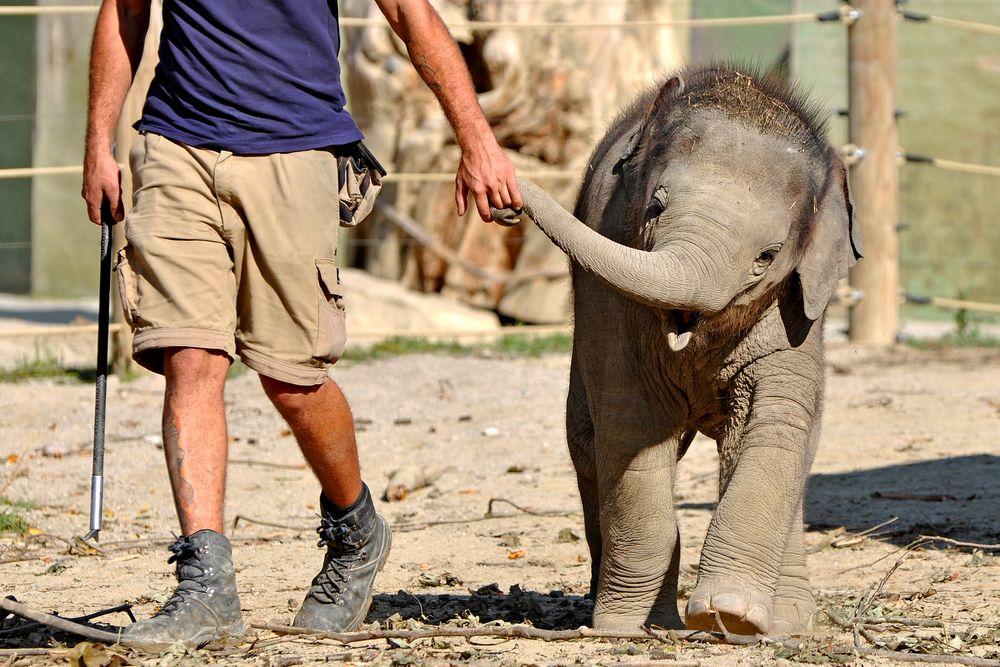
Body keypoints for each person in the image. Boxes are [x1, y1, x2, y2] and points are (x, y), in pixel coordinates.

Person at [81, 0, 522, 645]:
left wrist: (477, 140)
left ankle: (355, 527)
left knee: (292, 379)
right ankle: (206, 586)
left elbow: (410, 15)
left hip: (296, 152)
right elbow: (124, 14)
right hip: (175, 145)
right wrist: (98, 143)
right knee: (190, 356)